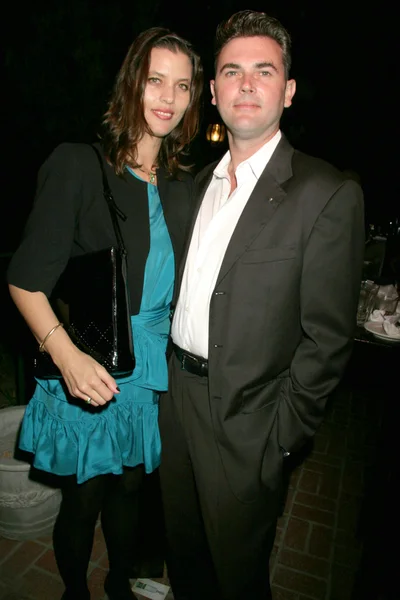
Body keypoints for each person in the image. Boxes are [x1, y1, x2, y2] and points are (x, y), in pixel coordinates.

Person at [158, 10, 365, 600]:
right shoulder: (194, 184)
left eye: (263, 70)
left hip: (249, 423)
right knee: (187, 555)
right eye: (231, 71)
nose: (246, 84)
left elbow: (327, 341)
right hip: (175, 404)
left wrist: (280, 440)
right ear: (215, 91)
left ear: (288, 91)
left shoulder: (325, 193)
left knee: (237, 573)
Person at [7, 27, 203, 600]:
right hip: (89, 366)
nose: (167, 96)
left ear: (194, 99)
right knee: (85, 500)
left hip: (148, 375)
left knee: (130, 492)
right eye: (155, 80)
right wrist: (66, 358)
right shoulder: (78, 166)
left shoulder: (184, 185)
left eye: (182, 85)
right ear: (131, 84)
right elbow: (24, 281)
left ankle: (120, 584)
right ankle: (76, 594)